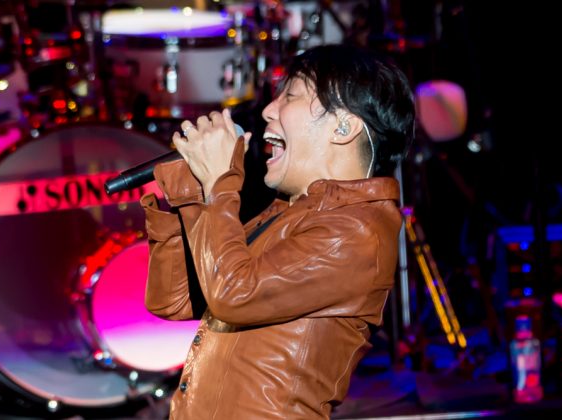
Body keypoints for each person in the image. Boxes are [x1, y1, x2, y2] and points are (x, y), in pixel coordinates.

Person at [140, 43, 415, 419]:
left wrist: (220, 182)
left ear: (344, 126)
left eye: (291, 95)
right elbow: (172, 300)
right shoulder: (289, 213)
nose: (269, 109)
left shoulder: (355, 231)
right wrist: (191, 190)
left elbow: (232, 293)